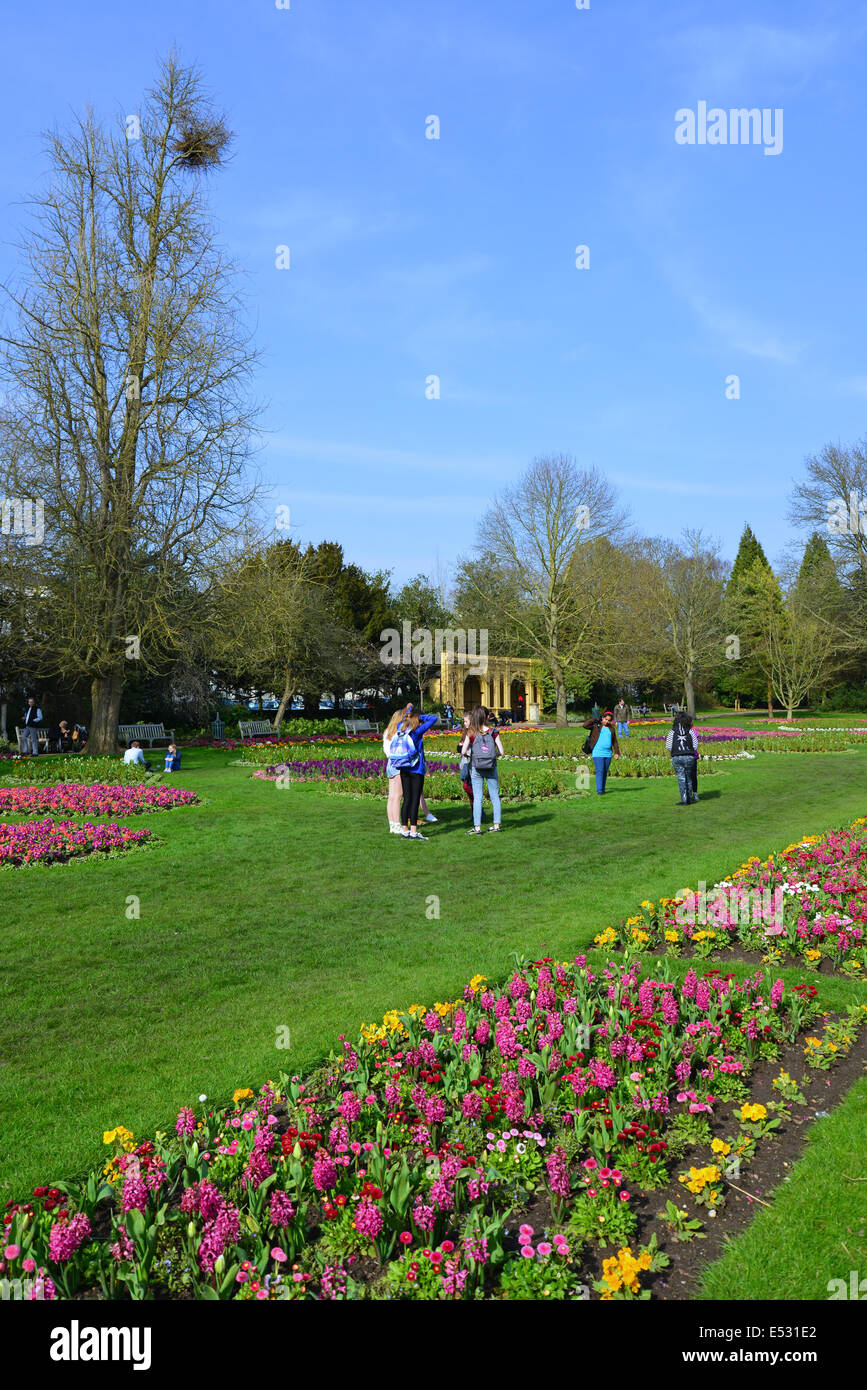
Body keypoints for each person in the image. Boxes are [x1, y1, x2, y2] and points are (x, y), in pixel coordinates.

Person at [388, 703, 439, 840]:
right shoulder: (417, 731)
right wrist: (419, 716)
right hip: (417, 769)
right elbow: (433, 718)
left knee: (407, 799)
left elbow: (405, 717)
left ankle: (405, 830)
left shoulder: (401, 728)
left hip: (404, 768)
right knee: (415, 800)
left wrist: (409, 712)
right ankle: (414, 832)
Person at [461, 705, 505, 833]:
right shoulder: (493, 732)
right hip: (491, 767)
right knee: (494, 796)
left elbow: (463, 751)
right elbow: (501, 751)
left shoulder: (471, 732)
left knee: (478, 797)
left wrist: (474, 754)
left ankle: (477, 827)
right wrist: (491, 756)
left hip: (477, 767)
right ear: (487, 717)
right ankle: (496, 825)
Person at [582, 709, 621, 795]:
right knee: (600, 771)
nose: (606, 721)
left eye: (609, 720)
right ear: (602, 718)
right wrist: (595, 719)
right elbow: (585, 725)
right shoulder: (596, 726)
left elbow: (615, 741)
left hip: (608, 754)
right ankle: (599, 791)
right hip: (597, 753)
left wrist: (617, 752)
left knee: (604, 772)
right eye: (605, 719)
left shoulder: (611, 729)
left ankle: (602, 789)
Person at [666, 711, 699, 805]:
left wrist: (675, 751)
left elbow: (668, 746)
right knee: (689, 778)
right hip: (689, 757)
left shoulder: (672, 732)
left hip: (677, 757)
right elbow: (695, 745)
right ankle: (689, 798)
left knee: (681, 778)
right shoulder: (690, 731)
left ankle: (684, 799)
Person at [457, 713, 476, 815]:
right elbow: (459, 747)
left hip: (470, 763)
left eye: (466, 721)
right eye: (464, 721)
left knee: (468, 786)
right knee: (468, 787)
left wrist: (462, 747)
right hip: (465, 762)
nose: (464, 723)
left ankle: (478, 810)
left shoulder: (473, 733)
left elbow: (467, 749)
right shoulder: (466, 732)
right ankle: (475, 812)